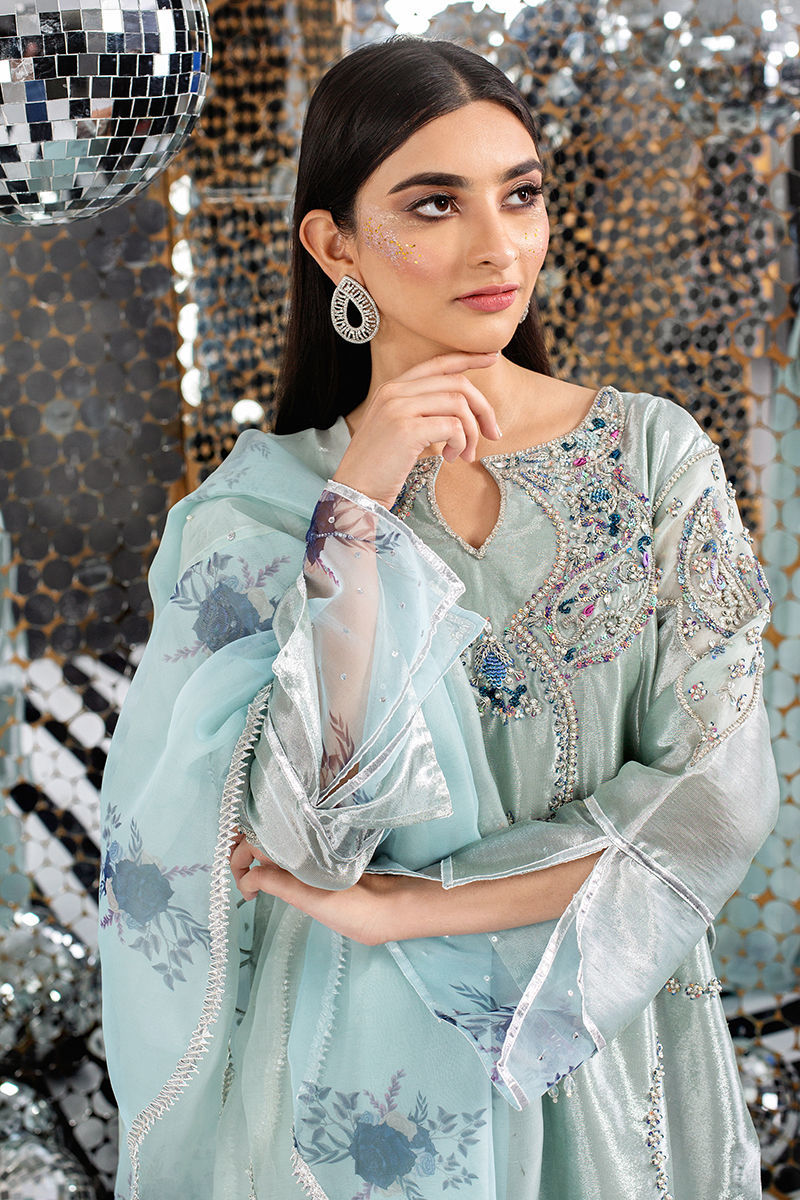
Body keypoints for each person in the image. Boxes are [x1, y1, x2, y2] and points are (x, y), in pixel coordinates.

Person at [98, 36, 779, 1200]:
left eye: (519, 195)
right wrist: (356, 506)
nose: (496, 245)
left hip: (600, 1051)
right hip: (352, 1086)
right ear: (334, 245)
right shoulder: (257, 514)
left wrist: (417, 908)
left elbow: (713, 798)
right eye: (434, 204)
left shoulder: (652, 459)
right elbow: (299, 839)